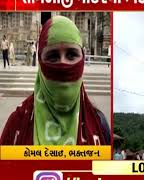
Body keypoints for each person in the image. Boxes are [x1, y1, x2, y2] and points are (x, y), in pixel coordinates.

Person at [0, 16, 110, 145]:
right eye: (53, 56)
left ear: (82, 59)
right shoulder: (17, 123)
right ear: (40, 61)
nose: (63, 64)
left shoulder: (100, 125)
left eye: (71, 55)